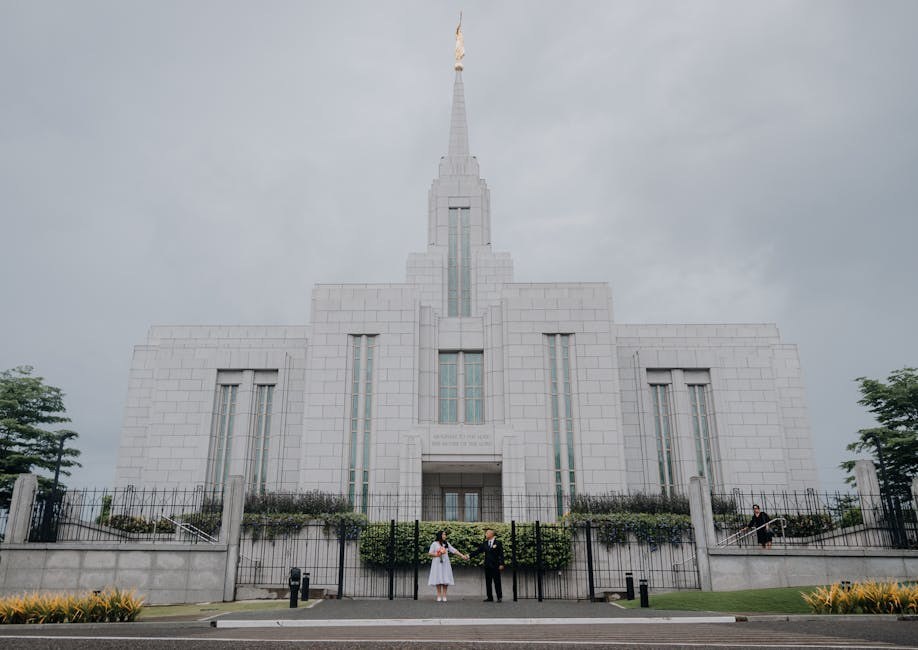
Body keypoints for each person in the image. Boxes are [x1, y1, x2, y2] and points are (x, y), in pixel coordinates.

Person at [428, 530, 468, 602]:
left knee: (445, 578)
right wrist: (437, 554)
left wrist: (462, 555)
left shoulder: (446, 543)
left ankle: (444, 595)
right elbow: (430, 553)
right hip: (437, 563)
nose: (445, 536)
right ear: (440, 535)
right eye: (443, 534)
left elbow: (454, 550)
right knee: (438, 578)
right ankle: (439, 595)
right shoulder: (434, 544)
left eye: (445, 535)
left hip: (445, 563)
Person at [469, 528, 505, 602]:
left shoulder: (498, 543)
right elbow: (478, 551)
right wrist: (469, 556)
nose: (486, 534)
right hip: (487, 565)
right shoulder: (485, 543)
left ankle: (499, 597)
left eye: (487, 533)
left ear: (491, 534)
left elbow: (501, 554)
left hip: (495, 565)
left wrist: (501, 564)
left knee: (497, 581)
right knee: (488, 582)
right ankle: (490, 597)